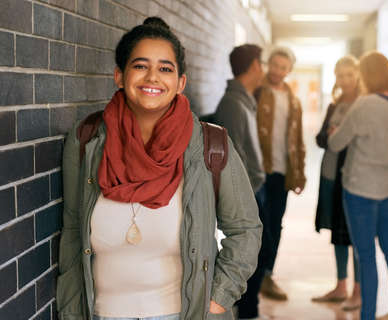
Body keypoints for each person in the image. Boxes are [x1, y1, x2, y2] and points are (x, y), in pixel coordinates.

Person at [56, 17, 262, 320]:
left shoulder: (210, 144)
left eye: (165, 68)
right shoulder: (86, 140)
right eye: (140, 66)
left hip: (184, 313)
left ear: (180, 83)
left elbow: (245, 229)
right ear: (119, 75)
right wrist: (72, 309)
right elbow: (73, 230)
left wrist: (219, 298)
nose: (153, 77)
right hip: (102, 313)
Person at [328, 51, 388, 320]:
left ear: (366, 76)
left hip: (359, 189)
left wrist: (336, 133)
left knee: (366, 254)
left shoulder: (365, 105)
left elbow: (336, 144)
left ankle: (367, 315)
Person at [214, 44, 268, 320]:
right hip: (249, 195)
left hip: (257, 190)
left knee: (261, 256)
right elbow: (233, 161)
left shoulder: (245, 99)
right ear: (255, 66)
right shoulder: (233, 104)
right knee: (251, 260)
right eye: (264, 64)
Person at [255, 47, 307, 301]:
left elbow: (297, 139)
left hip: (282, 172)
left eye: (283, 67)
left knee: (275, 224)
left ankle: (266, 275)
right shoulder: (256, 91)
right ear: (268, 65)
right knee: (257, 225)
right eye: (274, 65)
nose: (277, 71)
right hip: (259, 169)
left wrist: (299, 174)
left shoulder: (294, 100)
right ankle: (250, 275)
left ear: (289, 70)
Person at [312, 55, 362, 311]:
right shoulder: (334, 105)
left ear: (358, 75)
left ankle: (358, 291)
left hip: (352, 179)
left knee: (355, 235)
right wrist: (330, 135)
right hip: (330, 176)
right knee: (338, 235)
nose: (345, 81)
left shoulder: (364, 105)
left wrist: (343, 136)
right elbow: (320, 139)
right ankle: (340, 286)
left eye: (349, 75)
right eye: (340, 76)